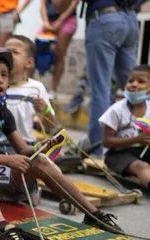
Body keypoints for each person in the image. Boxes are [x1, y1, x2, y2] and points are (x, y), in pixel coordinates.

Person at [0, 47, 123, 240]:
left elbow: (22, 150)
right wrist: (7, 160)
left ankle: (94, 214)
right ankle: (0, 230)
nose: (0, 80)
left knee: (40, 162)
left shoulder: (3, 113)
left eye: (4, 75)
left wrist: (39, 148)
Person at [84, 0, 139, 157]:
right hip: (130, 19)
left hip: (104, 19)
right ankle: (139, 144)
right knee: (138, 86)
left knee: (101, 89)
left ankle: (98, 148)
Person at [100, 64, 150, 192]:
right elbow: (106, 141)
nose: (133, 84)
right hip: (117, 154)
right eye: (130, 80)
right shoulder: (117, 110)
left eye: (141, 81)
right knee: (141, 166)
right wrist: (136, 140)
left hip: (143, 150)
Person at [5, 35, 57, 146]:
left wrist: (45, 110)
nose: (8, 55)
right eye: (6, 51)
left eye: (15, 52)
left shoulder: (36, 88)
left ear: (29, 63)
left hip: (26, 145)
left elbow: (50, 126)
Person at [39, 0, 79, 100]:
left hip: (68, 19)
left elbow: (74, 3)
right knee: (36, 47)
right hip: (49, 20)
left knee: (60, 52)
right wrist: (45, 22)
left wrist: (60, 21)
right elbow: (42, 4)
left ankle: (53, 89)